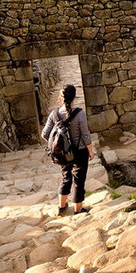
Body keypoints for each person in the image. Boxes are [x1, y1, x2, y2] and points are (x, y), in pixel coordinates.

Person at [41, 84, 96, 215]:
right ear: (74, 97)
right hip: (80, 151)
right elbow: (85, 134)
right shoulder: (80, 114)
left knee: (66, 177)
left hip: (62, 153)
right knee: (79, 180)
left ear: (61, 97)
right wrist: (90, 150)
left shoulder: (54, 114)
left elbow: (44, 134)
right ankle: (78, 209)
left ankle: (61, 207)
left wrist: (57, 143)